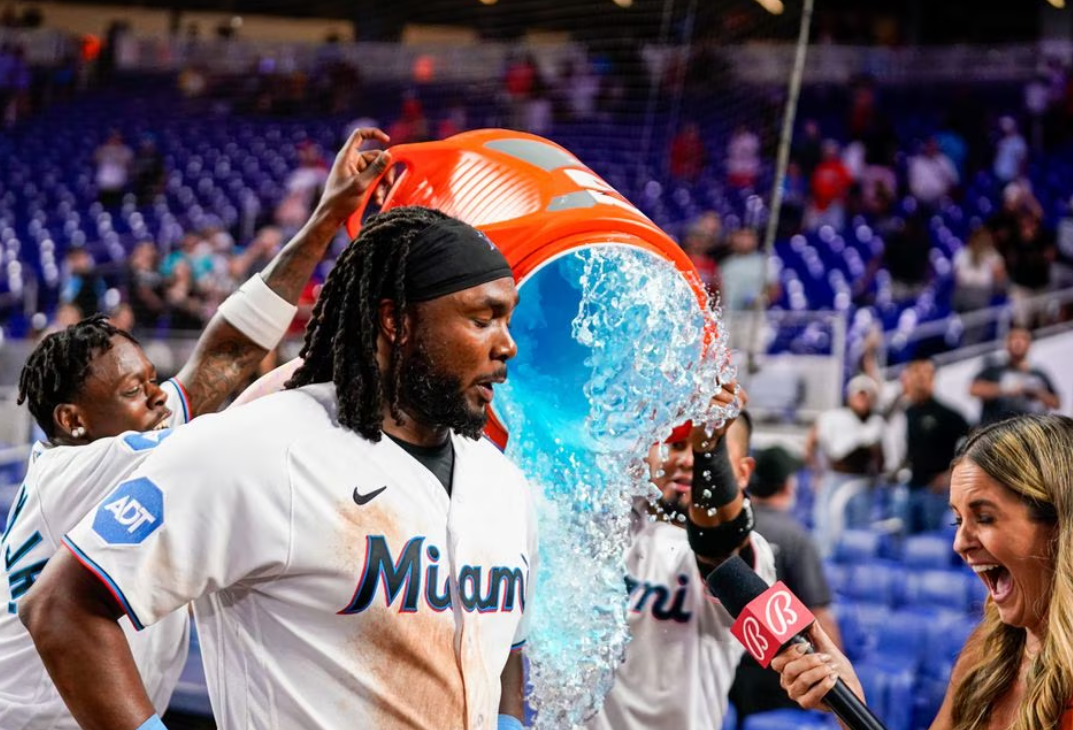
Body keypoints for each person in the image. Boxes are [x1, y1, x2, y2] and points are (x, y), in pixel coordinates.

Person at [21, 205, 535, 730]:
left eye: (508, 320)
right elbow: (62, 606)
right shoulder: (255, 448)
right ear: (395, 321)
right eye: (482, 319)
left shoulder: (504, 484)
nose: (506, 344)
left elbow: (504, 647)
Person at [1, 127, 391, 730]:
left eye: (154, 379)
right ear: (72, 421)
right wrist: (362, 342)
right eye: (135, 391)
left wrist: (328, 214)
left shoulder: (119, 444)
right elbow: (237, 400)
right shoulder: (84, 468)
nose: (161, 397)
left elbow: (224, 362)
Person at [771, 414, 1073, 730]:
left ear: (1060, 526)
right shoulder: (985, 652)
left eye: (984, 518)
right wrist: (848, 702)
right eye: (958, 520)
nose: (960, 543)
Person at [587, 389, 777, 730]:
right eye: (676, 444)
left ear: (743, 472)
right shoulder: (608, 527)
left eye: (706, 447)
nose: (688, 459)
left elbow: (718, 542)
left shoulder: (751, 551)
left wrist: (710, 452)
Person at [730, 439, 841, 725]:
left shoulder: (728, 530)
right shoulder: (796, 537)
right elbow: (819, 613)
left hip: (728, 664)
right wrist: (837, 677)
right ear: (789, 485)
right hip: (779, 673)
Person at [805, 374, 885, 557]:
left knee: (859, 530)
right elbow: (810, 444)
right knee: (826, 527)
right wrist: (817, 474)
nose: (863, 399)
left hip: (862, 483)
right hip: (834, 479)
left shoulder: (876, 424)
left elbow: (881, 459)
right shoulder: (833, 418)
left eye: (867, 395)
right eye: (859, 394)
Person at [897, 358, 970, 534]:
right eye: (916, 372)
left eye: (925, 372)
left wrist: (951, 474)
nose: (920, 377)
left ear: (933, 377)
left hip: (937, 492)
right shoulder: (906, 412)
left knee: (931, 543)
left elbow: (977, 442)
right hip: (911, 486)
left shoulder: (948, 413)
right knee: (907, 541)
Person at [969, 326, 1059, 426]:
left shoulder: (1039, 374)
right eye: (1014, 338)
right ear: (1006, 343)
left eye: (1023, 338)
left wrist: (1038, 393)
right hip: (997, 431)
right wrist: (1005, 389)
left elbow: (1056, 403)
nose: (1018, 342)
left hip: (1030, 431)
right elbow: (974, 389)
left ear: (1029, 344)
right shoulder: (993, 369)